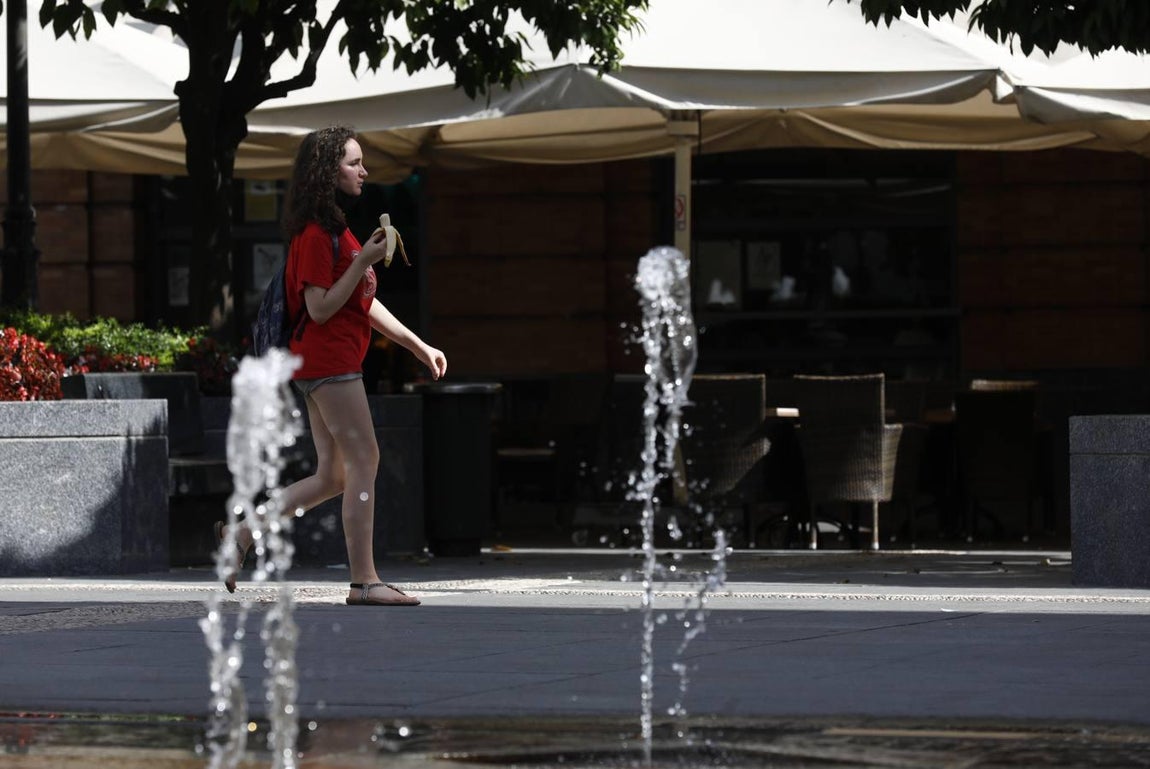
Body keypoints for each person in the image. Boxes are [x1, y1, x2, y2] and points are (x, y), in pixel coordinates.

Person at [216, 125, 447, 606]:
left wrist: (418, 346)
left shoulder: (336, 231)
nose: (363, 171)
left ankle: (243, 533)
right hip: (330, 363)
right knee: (366, 460)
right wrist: (364, 258)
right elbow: (319, 308)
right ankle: (365, 581)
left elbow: (363, 305)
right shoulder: (318, 235)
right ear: (326, 171)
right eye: (353, 163)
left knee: (334, 477)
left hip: (326, 363)